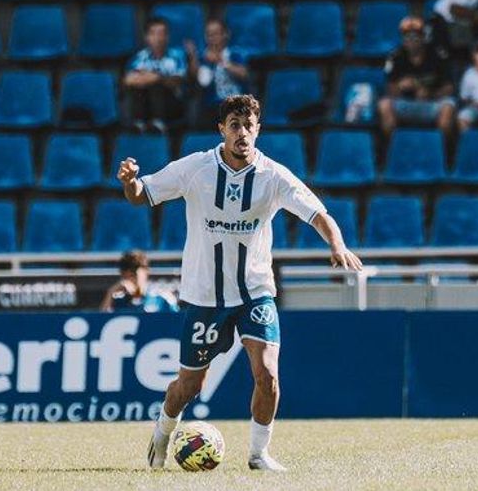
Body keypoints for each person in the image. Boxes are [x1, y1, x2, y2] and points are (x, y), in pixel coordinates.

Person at [116, 95, 363, 471]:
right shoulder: (195, 168)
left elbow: (318, 213)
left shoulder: (273, 176)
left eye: (249, 125)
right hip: (205, 295)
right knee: (189, 388)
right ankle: (162, 435)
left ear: (258, 130)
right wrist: (130, 182)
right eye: (235, 124)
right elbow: (141, 196)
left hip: (255, 292)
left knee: (268, 375)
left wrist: (337, 243)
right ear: (222, 129)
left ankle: (258, 454)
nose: (242, 133)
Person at [379, 17, 456, 139]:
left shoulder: (438, 55)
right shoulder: (394, 56)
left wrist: (430, 94)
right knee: (384, 104)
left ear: (423, 37)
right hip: (406, 102)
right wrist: (399, 87)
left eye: (415, 36)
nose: (411, 40)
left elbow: (449, 88)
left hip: (431, 103)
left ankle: (439, 151)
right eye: (407, 37)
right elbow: (389, 88)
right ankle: (393, 149)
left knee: (448, 107)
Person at [124, 18, 189, 134]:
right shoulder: (140, 56)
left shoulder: (177, 56)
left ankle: (158, 123)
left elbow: (178, 81)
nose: (157, 38)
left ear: (167, 37)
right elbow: (128, 80)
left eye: (161, 33)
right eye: (153, 33)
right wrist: (150, 78)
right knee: (139, 89)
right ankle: (139, 123)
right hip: (145, 103)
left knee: (156, 85)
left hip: (172, 104)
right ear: (146, 37)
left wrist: (157, 78)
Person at [186, 19, 251, 128]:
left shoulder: (235, 54)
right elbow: (198, 79)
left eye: (216, 34)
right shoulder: (203, 57)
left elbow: (244, 74)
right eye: (209, 35)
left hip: (235, 103)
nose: (212, 38)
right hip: (212, 104)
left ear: (225, 34)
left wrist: (220, 61)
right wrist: (193, 57)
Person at [100, 250, 180, 313]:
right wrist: (110, 292)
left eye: (135, 274)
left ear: (146, 271)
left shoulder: (161, 298)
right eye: (128, 276)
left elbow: (178, 322)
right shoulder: (117, 301)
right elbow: (100, 322)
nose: (132, 280)